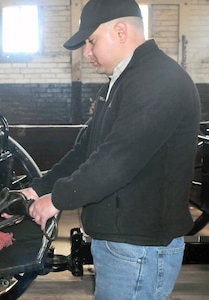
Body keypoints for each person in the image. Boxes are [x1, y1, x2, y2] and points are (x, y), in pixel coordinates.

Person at [19, 0, 201, 299]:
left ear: (120, 31)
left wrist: (58, 199)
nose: (87, 53)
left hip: (139, 247)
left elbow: (118, 160)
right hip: (122, 243)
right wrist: (38, 189)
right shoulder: (122, 81)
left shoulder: (158, 80)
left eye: (91, 41)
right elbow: (86, 152)